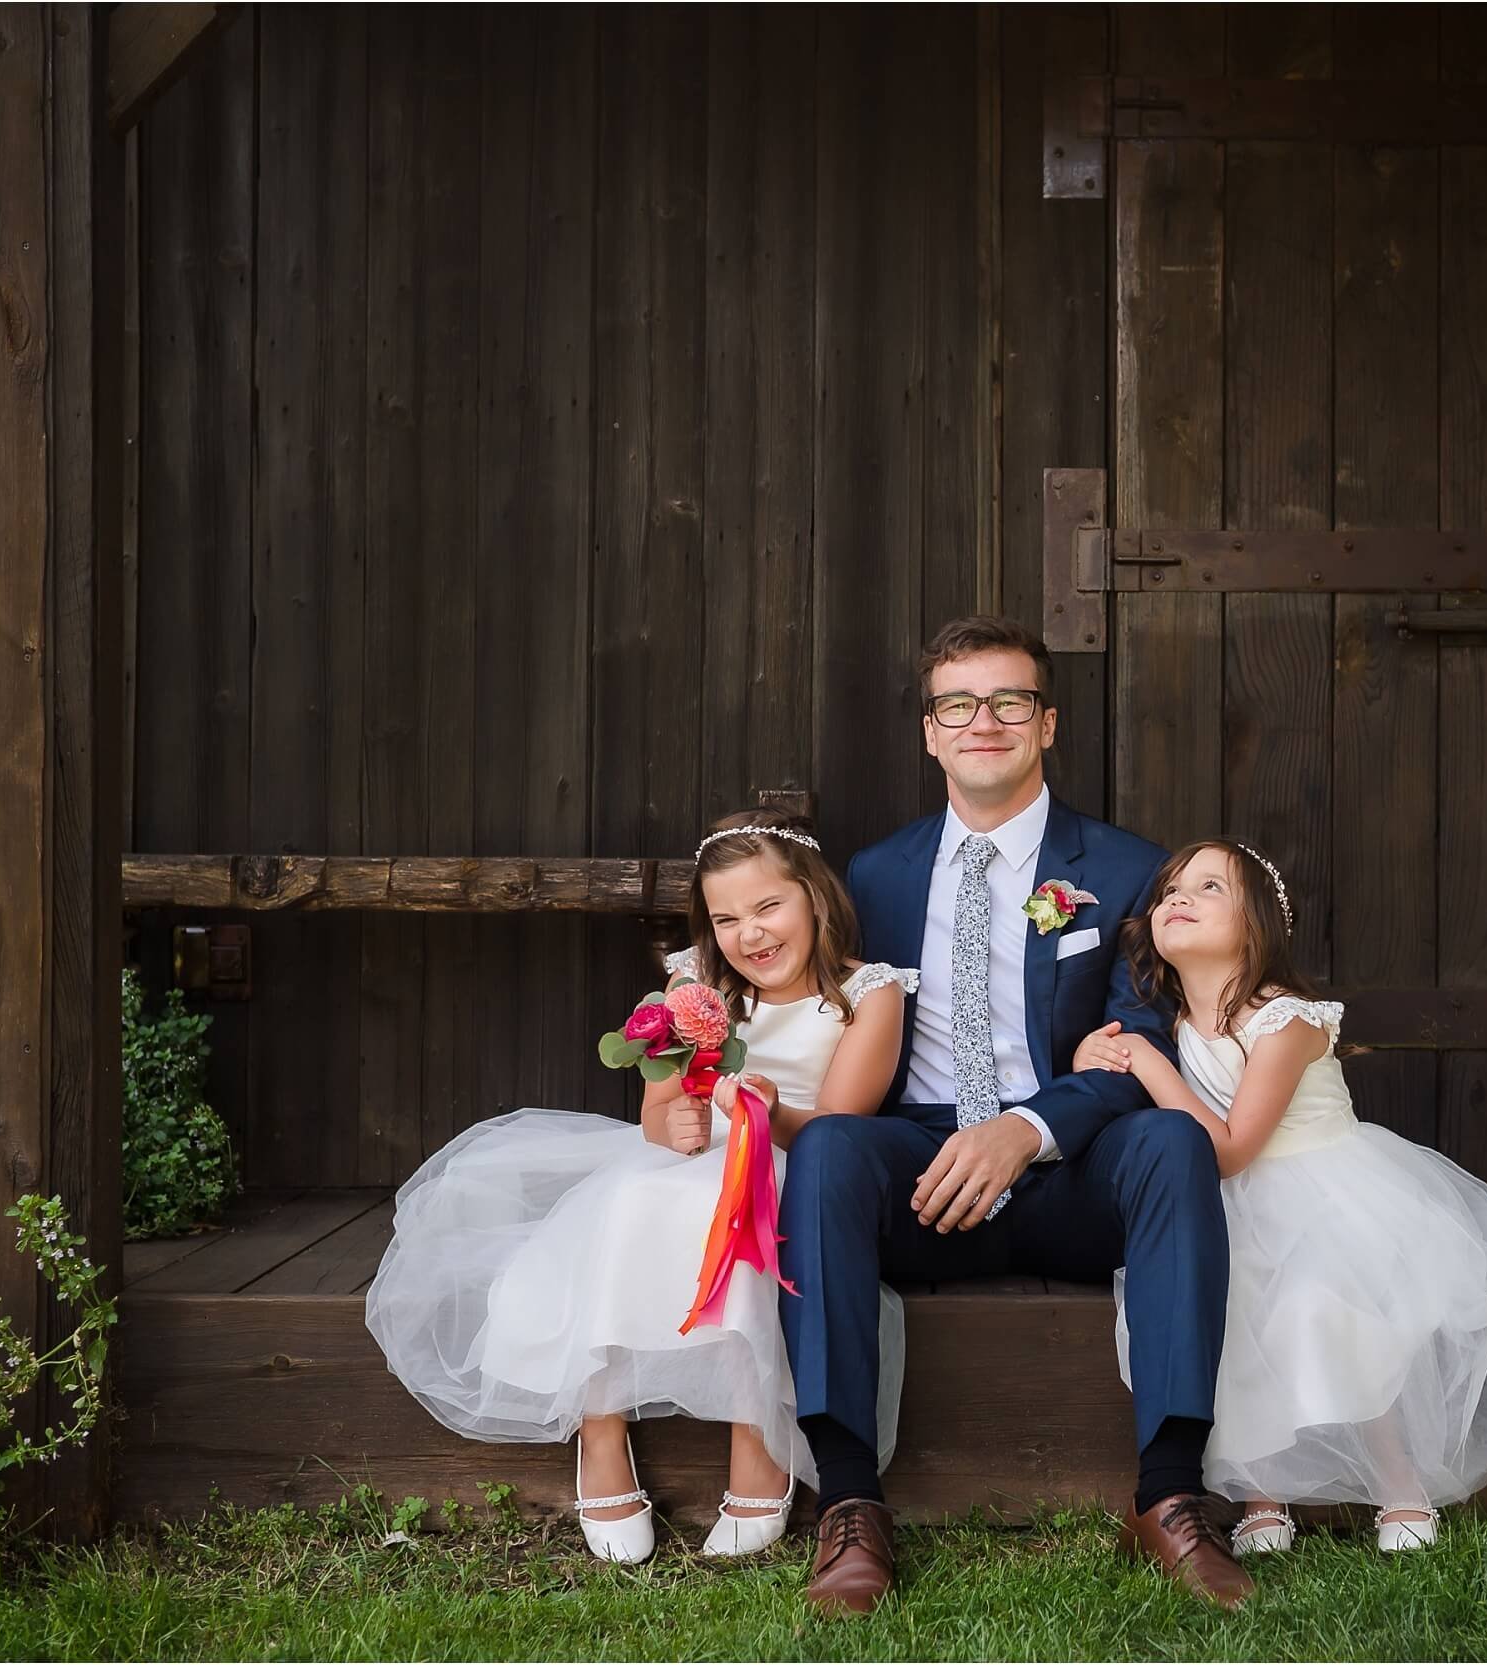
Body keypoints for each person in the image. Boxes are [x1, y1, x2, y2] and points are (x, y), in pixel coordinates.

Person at [781, 615, 1254, 1615]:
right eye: (958, 704)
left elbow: (1148, 1040)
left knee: (1170, 1138)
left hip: (1069, 1163)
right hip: (920, 1168)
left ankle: (1168, 1494)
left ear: (1047, 724)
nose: (981, 721)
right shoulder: (871, 877)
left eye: (1007, 702)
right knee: (825, 1149)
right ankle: (850, 1503)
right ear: (929, 732)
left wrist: (1029, 1126)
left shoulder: (1127, 869)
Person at [364, 808, 916, 1563]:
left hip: (798, 1157)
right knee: (636, 1195)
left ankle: (754, 1435)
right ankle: (602, 1424)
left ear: (816, 898)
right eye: (725, 918)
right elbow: (657, 1111)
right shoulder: (698, 985)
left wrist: (764, 1108)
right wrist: (675, 1125)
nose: (749, 934)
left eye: (767, 907)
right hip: (693, 1155)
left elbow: (841, 1130)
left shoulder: (869, 993)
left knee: (745, 1207)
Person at [1074, 841, 1487, 1556]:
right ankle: (1262, 1497)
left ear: (1257, 924)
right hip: (1236, 1204)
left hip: (1323, 1191)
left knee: (1337, 1320)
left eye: (1209, 886)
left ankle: (1400, 1486)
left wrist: (1145, 1064)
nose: (1178, 896)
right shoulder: (1178, 1022)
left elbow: (1235, 1144)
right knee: (1236, 1327)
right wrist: (1101, 1053)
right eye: (1172, 887)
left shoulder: (1286, 1018)